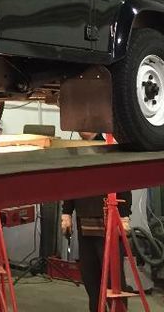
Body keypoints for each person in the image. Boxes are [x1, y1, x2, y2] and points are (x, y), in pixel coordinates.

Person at [61, 132, 132, 312]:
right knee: (90, 279)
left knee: (113, 279)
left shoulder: (109, 148)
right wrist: (66, 212)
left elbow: (123, 180)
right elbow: (70, 182)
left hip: (107, 224)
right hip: (84, 224)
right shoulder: (76, 150)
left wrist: (124, 215)